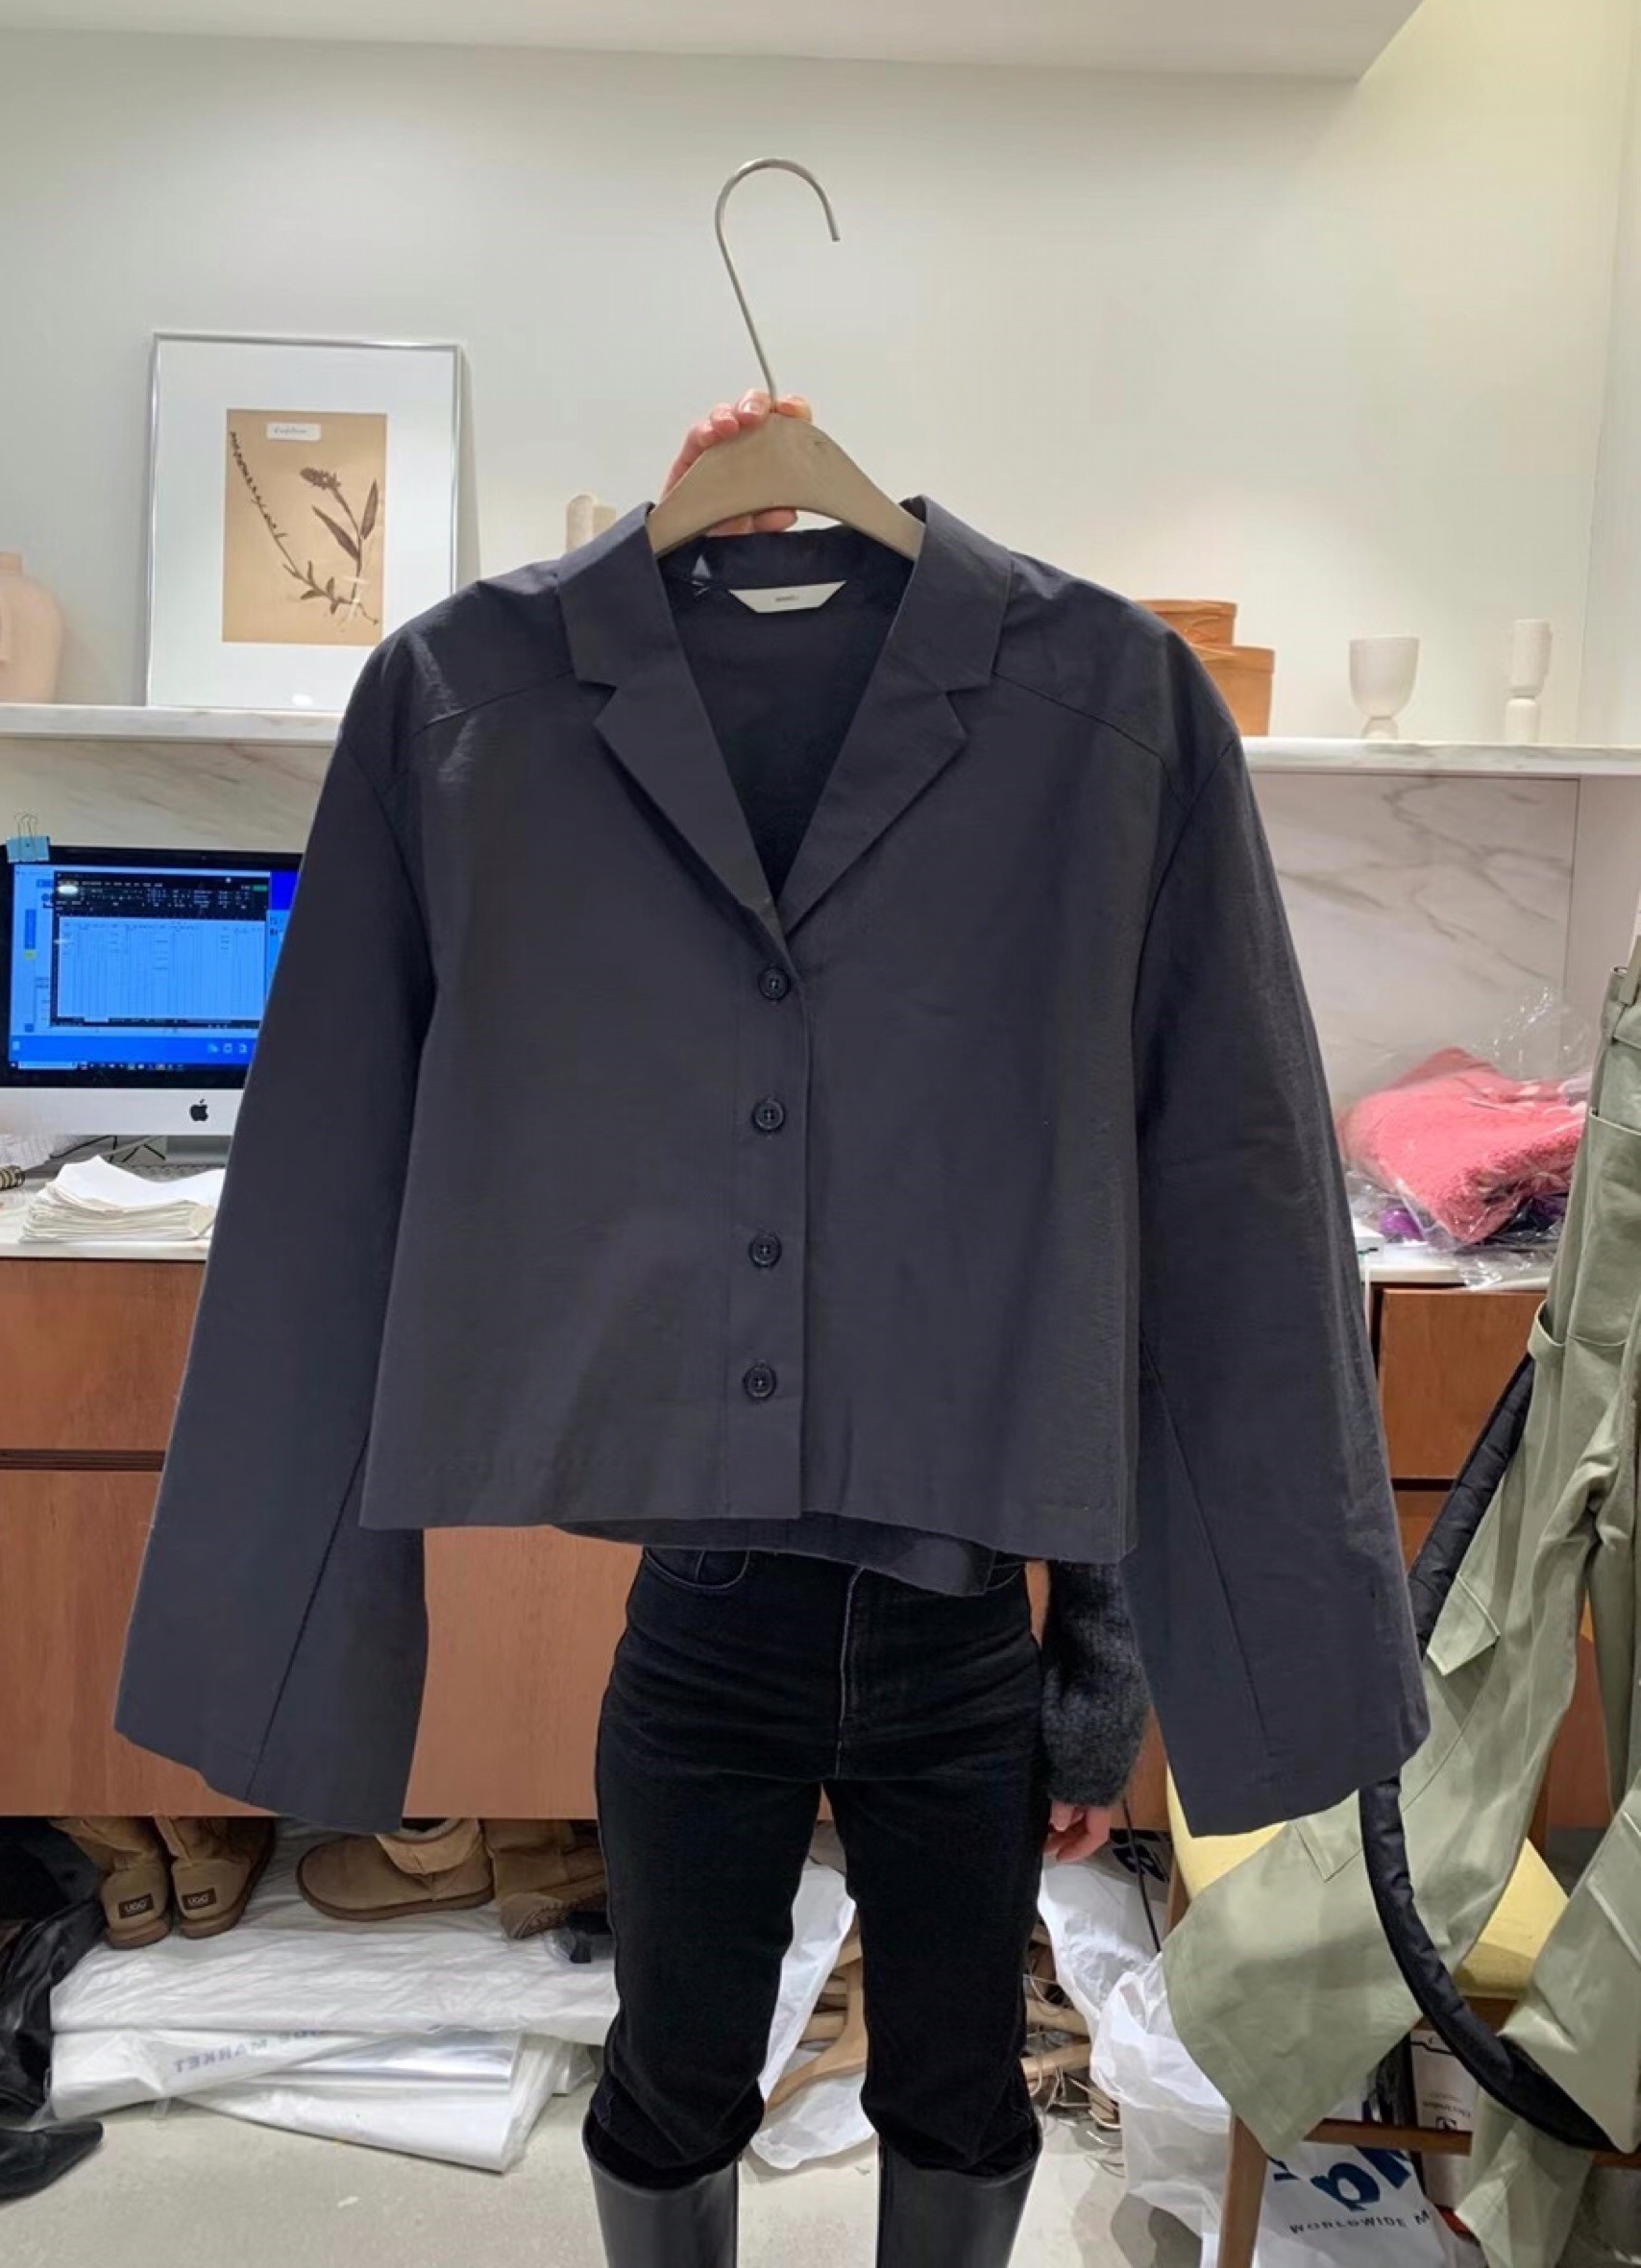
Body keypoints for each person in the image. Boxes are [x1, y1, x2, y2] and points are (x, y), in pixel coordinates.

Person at [581, 392, 1150, 2268]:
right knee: (673, 2072)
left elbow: (1096, 1332)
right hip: (707, 1627)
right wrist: (662, 571)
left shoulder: (1020, 939)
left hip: (957, 1641)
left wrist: (1093, 1703)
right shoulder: (661, 938)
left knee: (963, 2083)